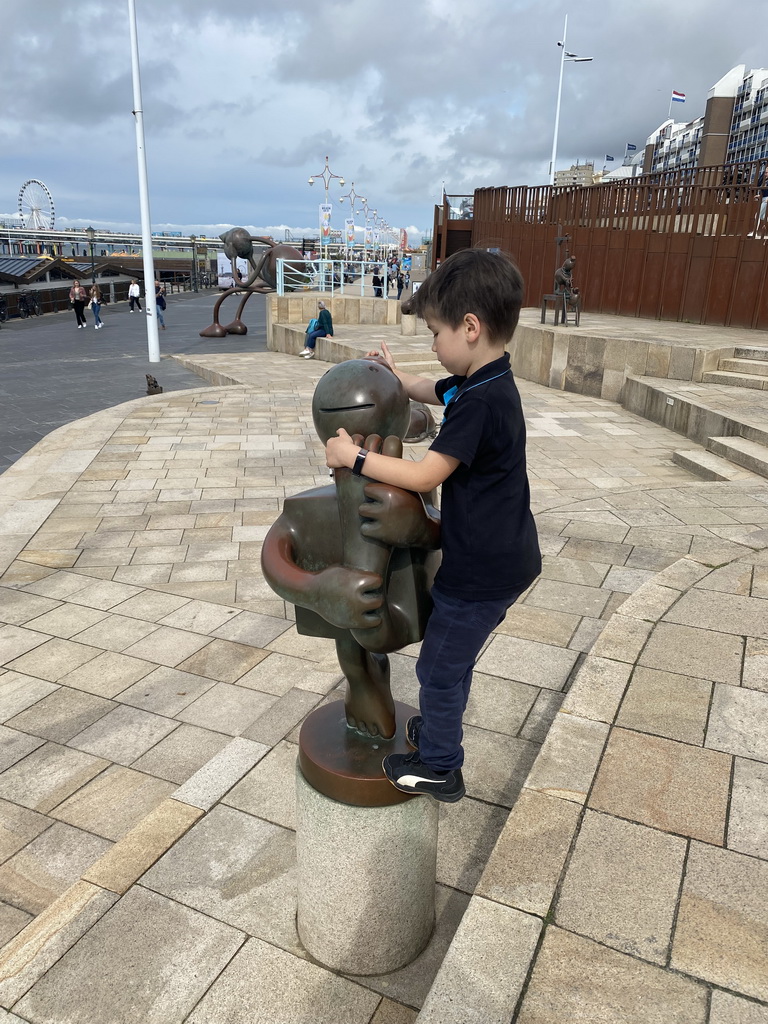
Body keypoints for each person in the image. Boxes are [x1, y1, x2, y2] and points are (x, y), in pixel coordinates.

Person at [325, 248, 541, 802]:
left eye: (435, 332)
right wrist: (398, 376)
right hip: (501, 556)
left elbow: (424, 476)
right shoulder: (482, 381)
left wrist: (354, 458)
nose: (432, 344)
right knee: (453, 658)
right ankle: (440, 732)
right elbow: (431, 388)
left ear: (470, 328)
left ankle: (441, 767)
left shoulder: (479, 403)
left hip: (482, 571)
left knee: (438, 670)